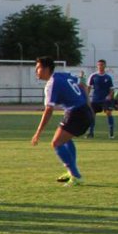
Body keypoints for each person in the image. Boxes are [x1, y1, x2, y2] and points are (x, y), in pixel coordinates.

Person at [30, 55, 92, 186]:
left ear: (46, 69)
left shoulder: (51, 84)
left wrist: (38, 132)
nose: (36, 71)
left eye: (38, 68)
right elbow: (82, 85)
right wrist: (88, 104)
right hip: (82, 111)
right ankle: (72, 173)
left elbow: (48, 110)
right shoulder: (63, 75)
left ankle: (76, 176)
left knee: (56, 143)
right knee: (65, 140)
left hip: (76, 113)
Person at [86, 59, 116, 139]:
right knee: (92, 115)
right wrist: (86, 97)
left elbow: (112, 89)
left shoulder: (108, 77)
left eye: (102, 65)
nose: (100, 66)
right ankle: (91, 133)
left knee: (109, 113)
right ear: (97, 66)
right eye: (99, 65)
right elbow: (88, 87)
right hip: (95, 99)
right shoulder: (93, 76)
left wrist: (109, 95)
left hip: (105, 100)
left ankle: (111, 132)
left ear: (105, 66)